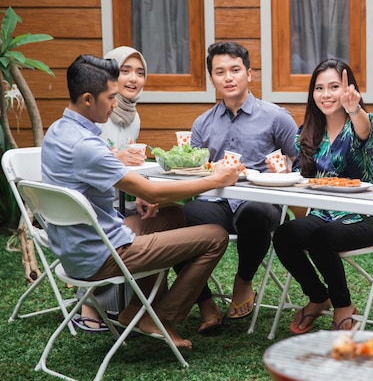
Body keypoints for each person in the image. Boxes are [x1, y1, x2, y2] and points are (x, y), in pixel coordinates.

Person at [42, 54, 242, 349]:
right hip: (102, 254)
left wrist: (143, 191)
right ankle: (161, 315)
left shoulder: (58, 131)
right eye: (110, 97)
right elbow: (153, 192)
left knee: (172, 216)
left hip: (79, 245)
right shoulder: (85, 146)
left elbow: (136, 188)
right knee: (215, 235)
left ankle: (137, 308)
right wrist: (217, 180)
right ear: (87, 98)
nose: (115, 103)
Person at [181, 42, 299, 331]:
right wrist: (212, 170)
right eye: (220, 72)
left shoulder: (276, 117)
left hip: (260, 204)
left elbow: (301, 160)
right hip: (217, 203)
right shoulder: (202, 123)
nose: (228, 78)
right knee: (178, 220)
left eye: (235, 70)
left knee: (254, 213)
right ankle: (205, 302)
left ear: (249, 73)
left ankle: (243, 280)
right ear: (212, 79)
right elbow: (195, 169)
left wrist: (286, 167)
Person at [271, 59, 373, 334]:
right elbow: (302, 178)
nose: (326, 94)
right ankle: (319, 297)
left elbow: (364, 133)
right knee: (284, 235)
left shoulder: (364, 123)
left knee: (320, 237)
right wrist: (283, 172)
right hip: (323, 215)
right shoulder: (307, 133)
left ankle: (343, 306)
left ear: (350, 90)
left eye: (334, 87)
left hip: (364, 218)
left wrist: (353, 108)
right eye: (319, 88)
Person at [73, 46, 148, 332]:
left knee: (147, 220)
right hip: (88, 201)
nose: (133, 78)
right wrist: (117, 159)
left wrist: (141, 187)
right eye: (124, 71)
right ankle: (90, 304)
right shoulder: (93, 111)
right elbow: (87, 161)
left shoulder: (133, 116)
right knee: (116, 229)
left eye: (140, 72)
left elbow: (126, 163)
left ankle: (130, 305)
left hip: (119, 194)